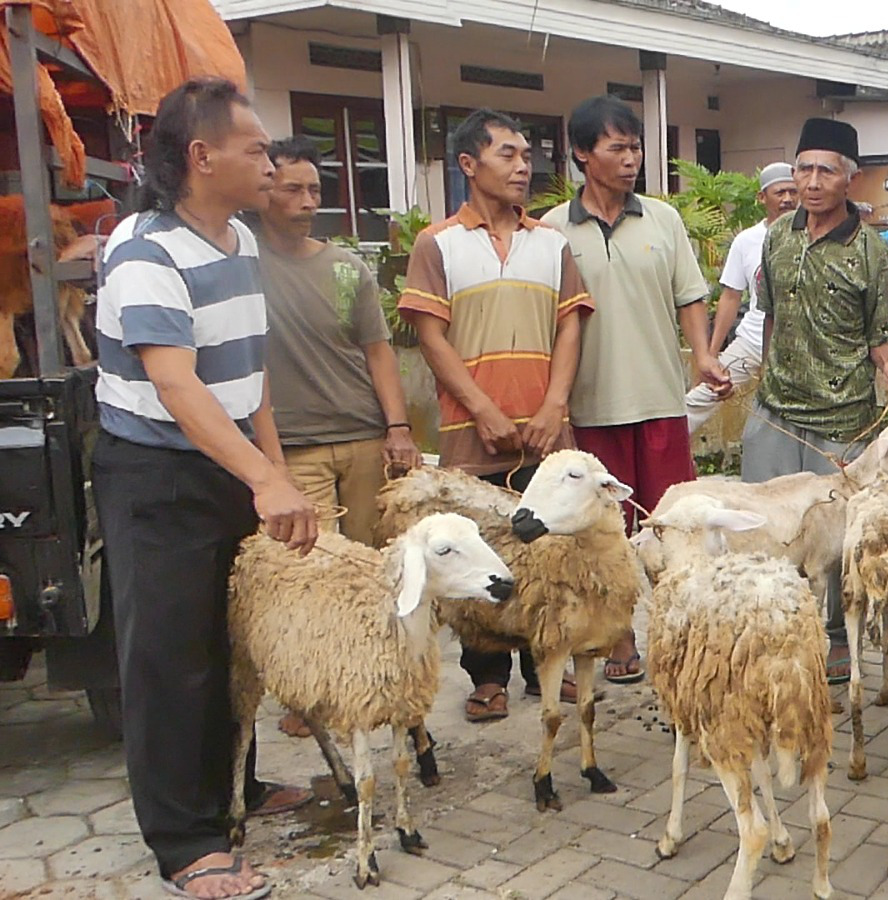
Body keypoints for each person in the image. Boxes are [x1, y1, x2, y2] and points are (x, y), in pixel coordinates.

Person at [94, 77, 318, 900]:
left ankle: (236, 788)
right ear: (201, 156)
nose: (270, 162)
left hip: (229, 465)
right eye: (255, 148)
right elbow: (179, 388)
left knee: (232, 645)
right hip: (158, 473)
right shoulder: (143, 248)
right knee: (170, 659)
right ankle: (186, 843)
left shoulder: (239, 243)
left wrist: (274, 470)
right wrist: (262, 478)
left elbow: (247, 374)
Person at [401, 108, 593, 720]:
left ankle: (546, 665)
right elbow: (432, 337)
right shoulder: (438, 244)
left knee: (546, 554)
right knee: (478, 550)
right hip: (470, 431)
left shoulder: (552, 242)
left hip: (544, 429)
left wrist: (553, 405)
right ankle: (487, 676)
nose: (522, 165)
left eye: (525, 154)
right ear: (468, 164)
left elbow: (570, 327)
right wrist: (481, 407)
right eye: (506, 154)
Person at [542, 95, 728, 684]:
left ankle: (684, 637)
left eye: (636, 147)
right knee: (607, 537)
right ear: (581, 153)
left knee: (676, 526)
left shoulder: (664, 220)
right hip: (591, 409)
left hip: (659, 403)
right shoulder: (549, 231)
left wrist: (702, 355)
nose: (631, 160)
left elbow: (689, 297)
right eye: (617, 147)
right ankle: (620, 640)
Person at [255, 136, 422, 737]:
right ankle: (311, 696)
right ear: (263, 189)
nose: (306, 201)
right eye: (292, 188)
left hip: (361, 437)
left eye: (315, 190)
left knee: (372, 569)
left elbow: (379, 354)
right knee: (311, 571)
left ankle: (375, 680)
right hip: (292, 446)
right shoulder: (240, 264)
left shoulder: (347, 269)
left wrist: (398, 428)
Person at [742, 117, 888, 684]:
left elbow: (879, 334)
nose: (811, 182)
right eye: (803, 168)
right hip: (776, 410)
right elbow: (768, 317)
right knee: (764, 524)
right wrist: (761, 373)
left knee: (833, 539)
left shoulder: (868, 249)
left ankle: (837, 635)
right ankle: (772, 625)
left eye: (826, 171)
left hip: (842, 417)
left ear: (849, 181)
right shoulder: (777, 236)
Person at [684, 162, 798, 434]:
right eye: (779, 193)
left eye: (793, 192)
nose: (787, 199)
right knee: (701, 397)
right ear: (762, 197)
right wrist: (711, 356)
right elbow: (731, 297)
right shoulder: (747, 241)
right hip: (751, 341)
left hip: (798, 347)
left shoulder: (812, 234)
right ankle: (668, 452)